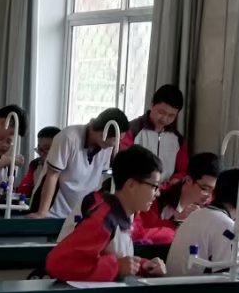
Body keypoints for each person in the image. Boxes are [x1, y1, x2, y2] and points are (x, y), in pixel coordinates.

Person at [46, 146, 168, 283]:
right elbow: (57, 264)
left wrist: (144, 266)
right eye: (154, 186)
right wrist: (117, 267)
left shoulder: (122, 214)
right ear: (131, 185)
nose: (157, 193)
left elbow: (118, 258)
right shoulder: (103, 219)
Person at [34, 108, 129, 219]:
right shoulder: (68, 137)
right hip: (53, 211)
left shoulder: (106, 147)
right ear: (103, 134)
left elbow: (98, 181)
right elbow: (52, 175)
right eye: (115, 139)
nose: (116, 144)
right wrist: (42, 213)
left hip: (80, 213)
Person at [168, 168, 239, 275]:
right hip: (191, 285)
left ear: (213, 193)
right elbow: (225, 277)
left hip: (171, 283)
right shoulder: (227, 226)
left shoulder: (195, 215)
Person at [135, 152, 221, 244]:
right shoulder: (158, 198)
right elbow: (143, 234)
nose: (209, 195)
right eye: (205, 189)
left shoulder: (211, 208)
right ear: (188, 180)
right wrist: (177, 222)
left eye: (213, 190)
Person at [122, 84, 188, 180]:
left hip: (167, 187)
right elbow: (123, 164)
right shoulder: (132, 130)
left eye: (171, 115)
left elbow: (182, 170)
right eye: (161, 112)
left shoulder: (178, 139)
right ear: (152, 104)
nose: (164, 119)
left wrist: (175, 180)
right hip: (138, 185)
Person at [16, 126, 61, 199]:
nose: (41, 153)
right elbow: (23, 189)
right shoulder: (35, 164)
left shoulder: (65, 170)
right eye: (39, 149)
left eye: (46, 148)